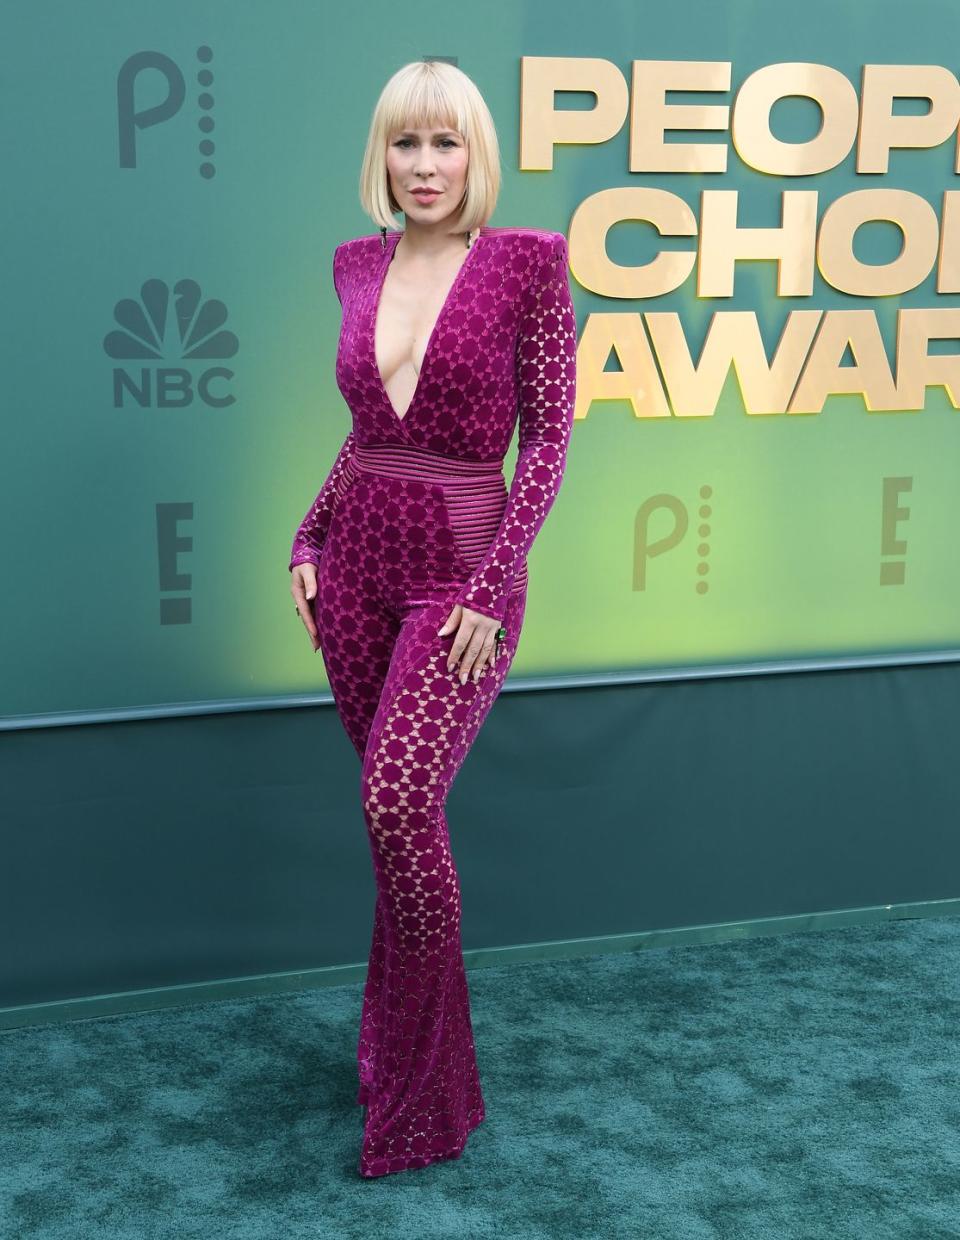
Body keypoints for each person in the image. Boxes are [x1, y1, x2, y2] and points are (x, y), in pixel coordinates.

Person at [288, 58, 577, 1179]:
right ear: (383, 155)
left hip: (460, 576)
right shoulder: (353, 264)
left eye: (444, 143)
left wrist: (492, 586)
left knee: (398, 799)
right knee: (393, 830)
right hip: (353, 569)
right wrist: (309, 537)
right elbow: (367, 434)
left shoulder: (525, 265)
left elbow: (547, 441)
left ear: (476, 153)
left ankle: (423, 1094)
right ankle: (415, 1063)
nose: (424, 166)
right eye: (405, 144)